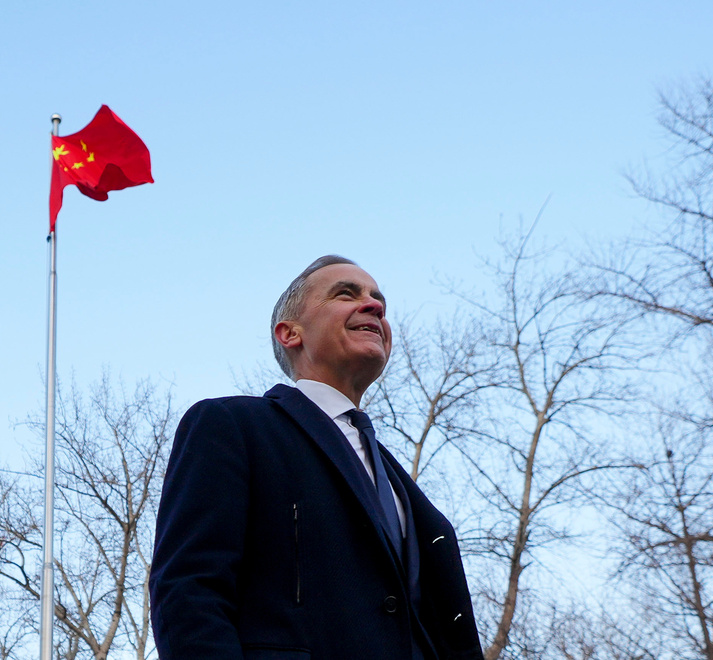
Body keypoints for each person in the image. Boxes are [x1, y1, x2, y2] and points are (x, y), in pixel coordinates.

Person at [149, 255, 483, 660]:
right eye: (347, 293)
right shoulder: (231, 426)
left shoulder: (396, 481)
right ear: (290, 333)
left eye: (379, 300)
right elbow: (189, 592)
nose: (375, 305)